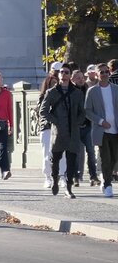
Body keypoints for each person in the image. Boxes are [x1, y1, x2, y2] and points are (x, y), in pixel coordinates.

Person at [39, 66, 83, 196]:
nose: (64, 74)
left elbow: (82, 112)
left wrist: (77, 122)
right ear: (58, 75)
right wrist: (55, 121)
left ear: (70, 75)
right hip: (58, 132)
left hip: (73, 132)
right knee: (55, 159)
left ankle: (68, 188)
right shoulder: (52, 92)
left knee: (71, 160)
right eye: (61, 72)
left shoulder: (77, 93)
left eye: (66, 72)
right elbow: (43, 111)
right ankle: (55, 180)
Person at [85, 62, 118, 198]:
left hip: (116, 129)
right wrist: (100, 121)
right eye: (101, 72)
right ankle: (108, 185)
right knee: (106, 157)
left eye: (106, 71)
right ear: (97, 75)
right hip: (101, 130)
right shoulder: (92, 91)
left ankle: (105, 178)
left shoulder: (116, 88)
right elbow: (87, 110)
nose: (104, 74)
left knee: (115, 158)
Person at [71, 67, 98, 187]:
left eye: (82, 78)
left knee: (91, 152)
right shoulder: (70, 92)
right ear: (72, 79)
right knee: (76, 153)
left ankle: (93, 176)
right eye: (78, 78)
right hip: (76, 127)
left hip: (88, 126)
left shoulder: (88, 90)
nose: (81, 80)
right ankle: (76, 176)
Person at [37, 68, 60, 188]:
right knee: (48, 153)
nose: (54, 86)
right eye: (52, 84)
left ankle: (62, 176)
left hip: (59, 128)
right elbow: (41, 113)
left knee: (62, 154)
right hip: (46, 127)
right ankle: (48, 177)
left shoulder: (61, 96)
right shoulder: (43, 97)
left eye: (56, 84)